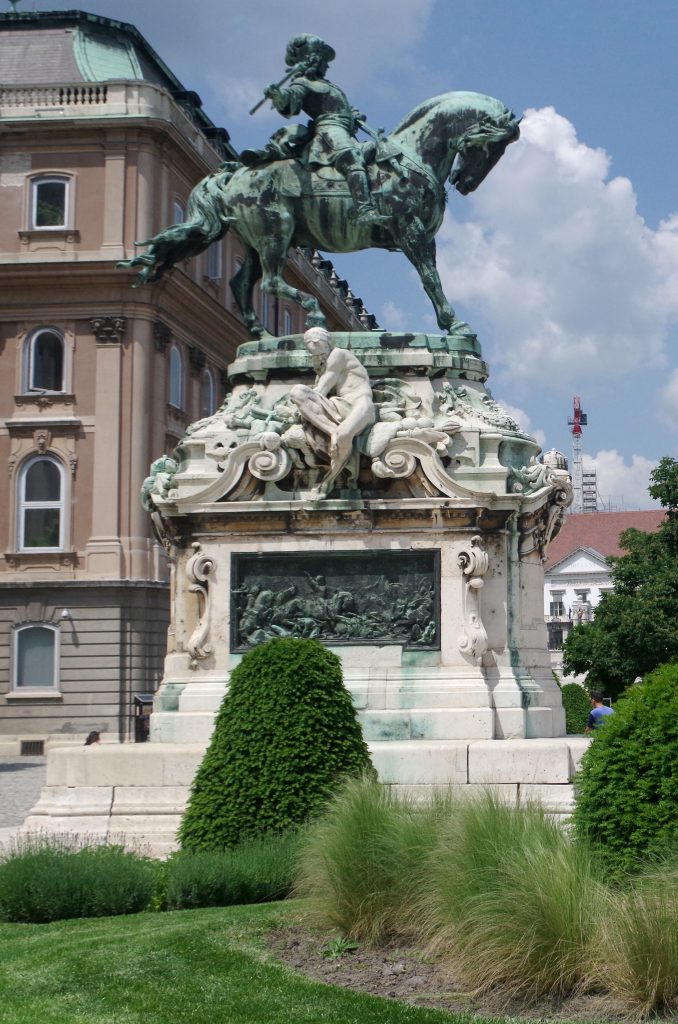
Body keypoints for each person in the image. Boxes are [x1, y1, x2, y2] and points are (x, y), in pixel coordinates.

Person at [242, 34, 387, 226]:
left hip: (345, 130)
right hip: (329, 131)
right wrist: (277, 95)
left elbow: (340, 107)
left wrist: (353, 115)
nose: (327, 65)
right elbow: (290, 102)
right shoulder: (303, 82)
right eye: (323, 59)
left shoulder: (330, 86)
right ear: (313, 59)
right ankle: (364, 210)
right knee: (351, 157)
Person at [290, 327, 376, 494]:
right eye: (309, 344)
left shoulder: (339, 354)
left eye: (317, 342)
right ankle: (332, 431)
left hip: (360, 404)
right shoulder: (324, 366)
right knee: (297, 392)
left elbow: (321, 389)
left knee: (345, 435)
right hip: (338, 405)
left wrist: (301, 410)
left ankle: (333, 478)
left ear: (327, 342)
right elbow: (318, 392)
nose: (313, 346)